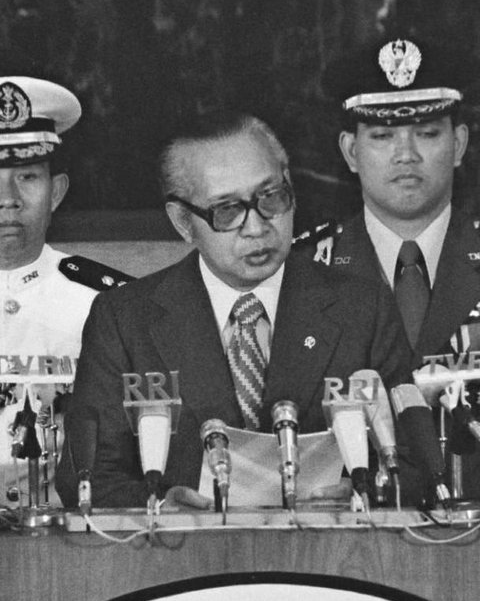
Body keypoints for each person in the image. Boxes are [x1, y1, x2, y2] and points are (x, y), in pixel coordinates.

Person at [56, 111, 412, 510]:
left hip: (331, 556)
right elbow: (85, 477)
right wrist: (160, 505)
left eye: (271, 198)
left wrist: (368, 492)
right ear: (183, 222)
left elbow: (417, 460)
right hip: (184, 560)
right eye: (226, 210)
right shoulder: (124, 320)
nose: (257, 227)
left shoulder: (364, 308)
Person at [296, 36, 480, 499]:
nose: (406, 154)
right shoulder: (301, 271)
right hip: (349, 531)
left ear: (458, 144)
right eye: (381, 136)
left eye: (427, 133)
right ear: (351, 152)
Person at [0, 75, 131, 508]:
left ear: (56, 192)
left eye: (28, 177)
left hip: (71, 532)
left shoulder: (109, 304)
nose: (8, 199)